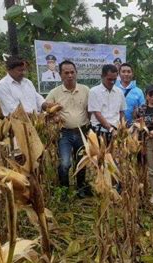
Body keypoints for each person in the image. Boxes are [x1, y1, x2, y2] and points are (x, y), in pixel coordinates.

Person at [42, 60, 91, 198]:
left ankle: (81, 188)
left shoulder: (85, 90)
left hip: (82, 131)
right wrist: (53, 116)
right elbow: (46, 111)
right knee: (65, 163)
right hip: (64, 133)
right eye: (66, 73)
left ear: (76, 73)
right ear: (60, 75)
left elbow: (90, 110)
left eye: (72, 72)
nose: (70, 75)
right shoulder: (55, 92)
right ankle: (63, 190)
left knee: (81, 162)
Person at [88, 64, 126, 141]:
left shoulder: (120, 92)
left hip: (116, 130)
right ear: (102, 76)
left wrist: (123, 127)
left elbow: (121, 112)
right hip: (99, 131)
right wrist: (110, 129)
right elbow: (97, 114)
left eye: (114, 79)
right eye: (109, 79)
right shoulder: (94, 91)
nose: (112, 82)